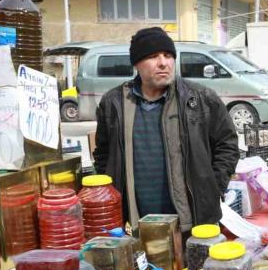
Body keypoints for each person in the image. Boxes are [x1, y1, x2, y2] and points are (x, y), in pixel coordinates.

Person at [94, 27, 239, 231]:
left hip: (192, 221)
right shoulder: (114, 102)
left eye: (168, 55)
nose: (163, 63)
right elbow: (103, 154)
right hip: (136, 222)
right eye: (153, 56)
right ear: (136, 63)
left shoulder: (200, 98)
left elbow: (227, 145)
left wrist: (212, 187)